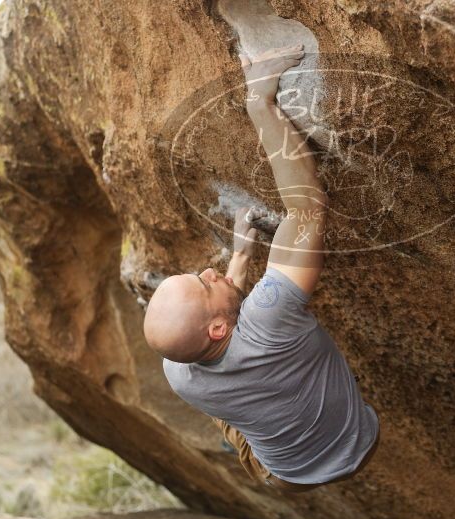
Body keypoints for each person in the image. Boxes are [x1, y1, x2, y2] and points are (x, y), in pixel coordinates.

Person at [143, 44, 379, 492]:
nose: (210, 273)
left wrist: (239, 259)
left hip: (282, 475)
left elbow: (220, 331)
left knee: (225, 406)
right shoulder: (269, 318)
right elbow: (305, 208)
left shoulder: (178, 375)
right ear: (216, 327)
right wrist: (260, 103)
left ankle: (242, 406)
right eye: (204, 282)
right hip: (356, 444)